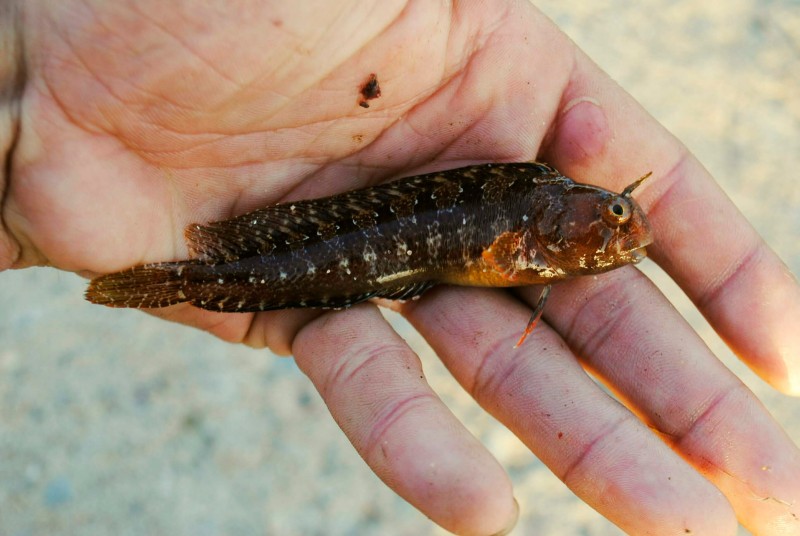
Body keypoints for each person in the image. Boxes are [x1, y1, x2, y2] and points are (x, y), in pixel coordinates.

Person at [1, 1, 798, 534]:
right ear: (569, 220)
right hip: (355, 240)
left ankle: (185, 276)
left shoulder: (544, 216)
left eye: (619, 220)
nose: (625, 229)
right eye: (616, 216)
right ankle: (180, 276)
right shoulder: (540, 223)